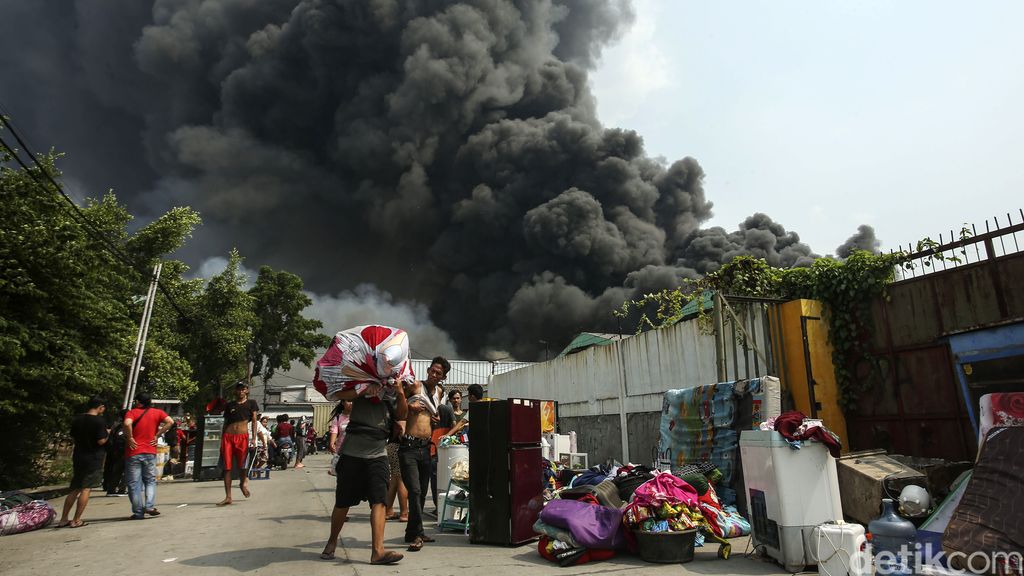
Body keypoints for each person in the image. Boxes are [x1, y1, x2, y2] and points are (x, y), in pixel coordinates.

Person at [320, 379, 408, 565]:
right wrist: (364, 389)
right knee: (343, 502)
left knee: (380, 501)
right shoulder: (360, 383)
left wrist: (400, 392)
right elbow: (340, 395)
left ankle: (377, 551)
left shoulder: (393, 392)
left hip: (378, 454)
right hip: (352, 453)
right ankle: (332, 541)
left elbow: (402, 415)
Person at [399, 356, 450, 551]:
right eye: (432, 370)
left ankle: (411, 532)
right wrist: (409, 406)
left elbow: (432, 416)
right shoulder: (415, 386)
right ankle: (418, 535)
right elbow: (397, 401)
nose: (433, 374)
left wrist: (435, 422)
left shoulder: (438, 392)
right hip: (409, 447)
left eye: (438, 373)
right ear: (428, 370)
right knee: (415, 490)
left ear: (442, 377)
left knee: (420, 494)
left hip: (425, 447)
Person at [59, 397, 109, 528]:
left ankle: (63, 518)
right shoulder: (99, 421)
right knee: (86, 488)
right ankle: (76, 520)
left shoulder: (77, 419)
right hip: (93, 457)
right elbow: (101, 441)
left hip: (79, 455)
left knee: (75, 488)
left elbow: (73, 436)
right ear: (100, 407)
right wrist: (109, 434)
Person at [123, 393, 174, 520]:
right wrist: (157, 435)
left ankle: (138, 512)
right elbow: (170, 421)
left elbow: (127, 423)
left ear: (139, 402)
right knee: (150, 480)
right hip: (150, 451)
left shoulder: (132, 413)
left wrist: (130, 438)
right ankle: (150, 506)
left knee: (134, 484)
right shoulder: (157, 412)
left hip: (133, 451)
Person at [218, 382, 258, 506]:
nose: (241, 391)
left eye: (243, 389)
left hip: (243, 437)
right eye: (239, 389)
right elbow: (225, 423)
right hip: (228, 437)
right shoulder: (230, 405)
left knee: (242, 465)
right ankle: (228, 496)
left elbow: (255, 421)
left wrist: (254, 438)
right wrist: (221, 440)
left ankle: (242, 483)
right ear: (236, 391)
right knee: (227, 467)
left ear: (246, 391)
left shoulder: (251, 403)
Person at [102, 408, 128, 496]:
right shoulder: (124, 426)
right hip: (122, 451)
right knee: (122, 470)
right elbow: (121, 439)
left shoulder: (116, 425)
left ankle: (111, 488)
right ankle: (118, 489)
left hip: (115, 451)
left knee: (115, 470)